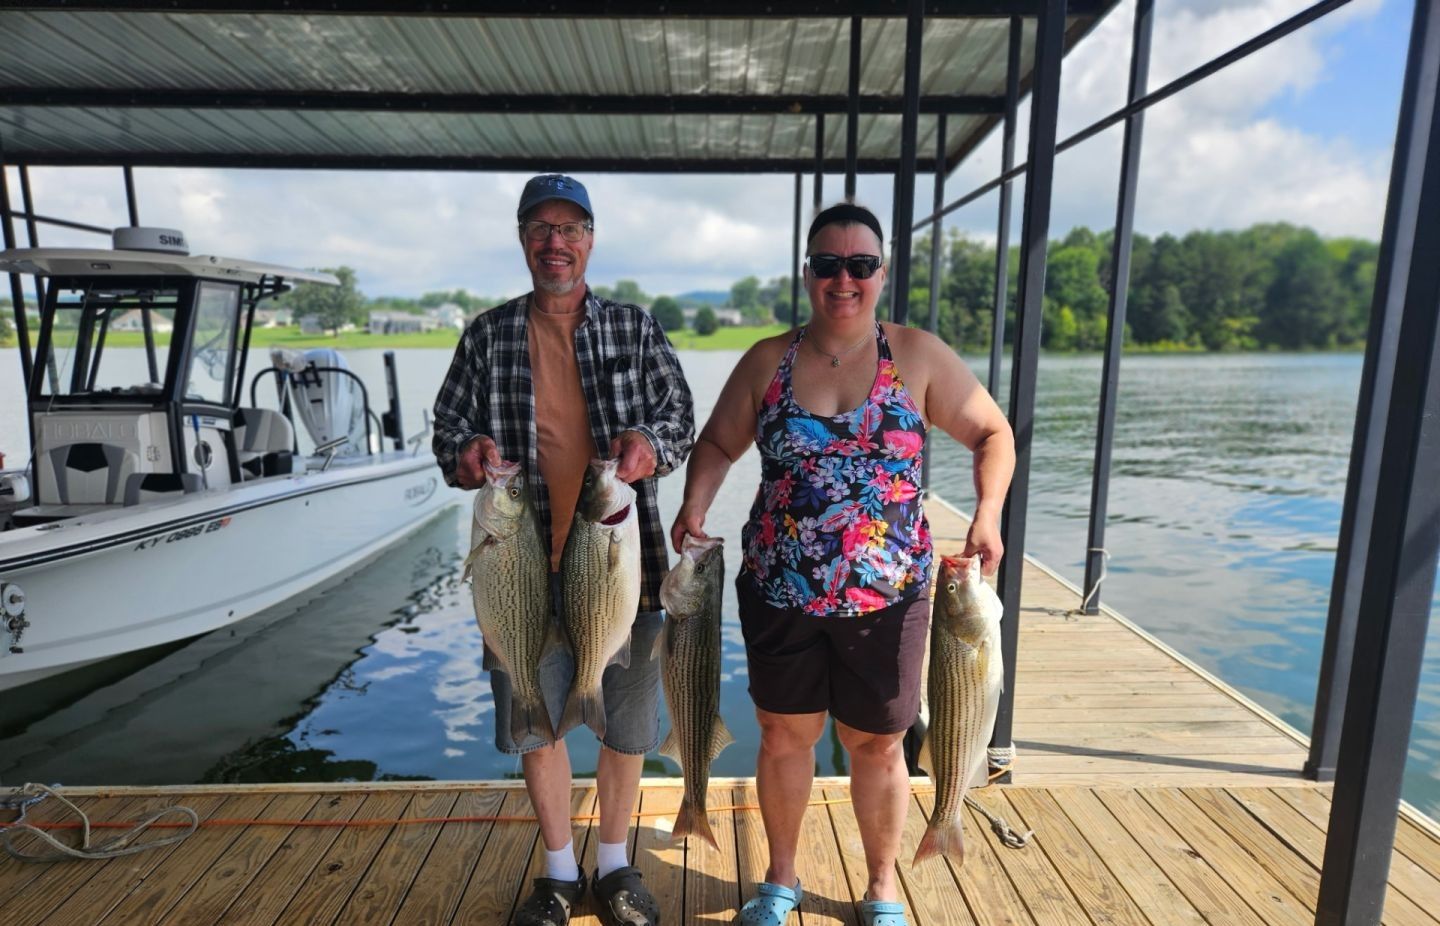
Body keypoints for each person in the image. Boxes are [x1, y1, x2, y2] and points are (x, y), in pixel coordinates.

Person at [670, 202, 1014, 926]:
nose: (844, 279)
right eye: (828, 264)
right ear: (808, 274)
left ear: (882, 274)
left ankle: (882, 885)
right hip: (779, 587)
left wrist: (987, 513)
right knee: (783, 736)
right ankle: (781, 878)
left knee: (878, 744)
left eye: (860, 264)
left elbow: (992, 432)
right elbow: (719, 443)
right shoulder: (768, 359)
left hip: (889, 595)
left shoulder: (918, 355)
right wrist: (695, 505)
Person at [433, 174, 695, 926]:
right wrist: (468, 453)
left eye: (571, 228)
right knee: (534, 723)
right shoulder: (486, 334)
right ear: (523, 240)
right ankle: (556, 872)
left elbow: (678, 414)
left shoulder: (634, 328)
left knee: (628, 727)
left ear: (590, 240)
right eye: (542, 228)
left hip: (619, 566)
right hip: (515, 567)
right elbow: (447, 429)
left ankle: (612, 865)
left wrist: (650, 443)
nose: (557, 243)